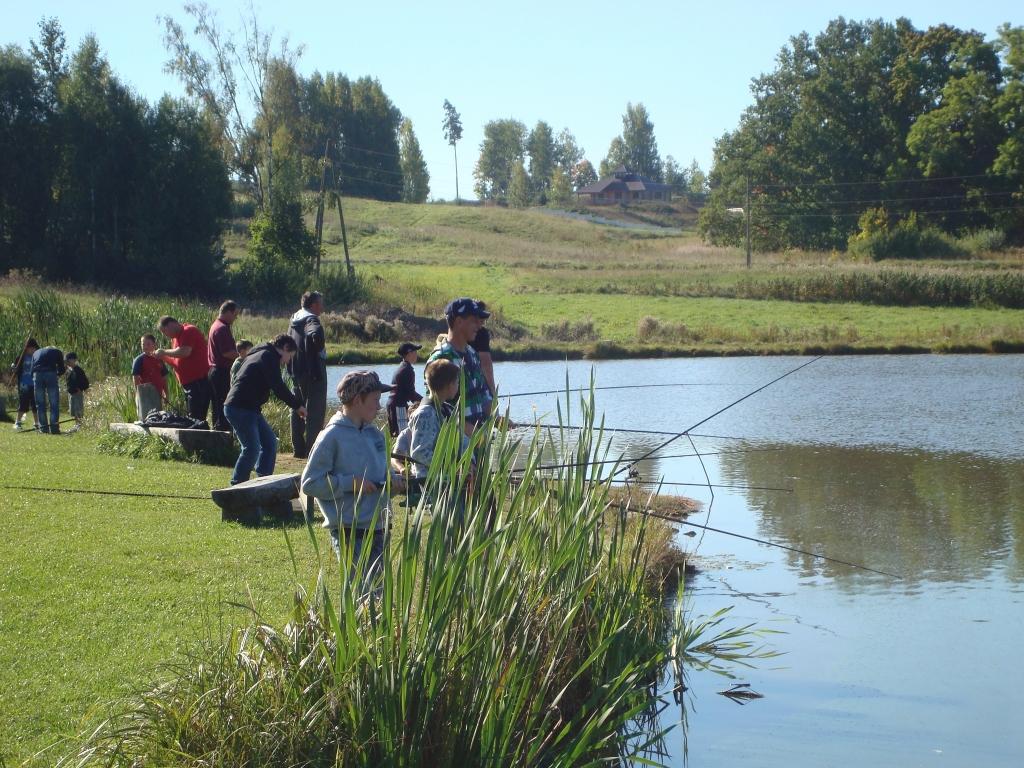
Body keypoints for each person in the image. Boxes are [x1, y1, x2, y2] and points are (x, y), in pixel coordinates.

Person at [301, 371, 401, 593]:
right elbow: (310, 483)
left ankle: (376, 629)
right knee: (362, 593)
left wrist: (393, 483)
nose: (380, 406)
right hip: (350, 531)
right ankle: (354, 628)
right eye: (375, 400)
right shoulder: (331, 436)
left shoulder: (375, 434)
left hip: (379, 527)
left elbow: (380, 475)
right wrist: (350, 484)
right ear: (357, 400)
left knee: (379, 593)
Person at [223, 334, 307, 485]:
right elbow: (278, 387)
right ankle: (236, 487)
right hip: (239, 407)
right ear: (286, 348)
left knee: (269, 443)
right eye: (290, 356)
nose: (288, 362)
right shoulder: (268, 356)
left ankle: (262, 483)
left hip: (250, 408)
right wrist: (297, 405)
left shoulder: (261, 352)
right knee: (252, 448)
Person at [425, 297, 494, 434]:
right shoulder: (441, 358)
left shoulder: (472, 354)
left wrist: (498, 419)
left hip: (479, 445)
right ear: (459, 321)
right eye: (474, 321)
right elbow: (439, 411)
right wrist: (476, 435)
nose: (479, 326)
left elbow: (483, 396)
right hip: (457, 449)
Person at [409, 358, 471, 484]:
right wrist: (452, 466)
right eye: (457, 382)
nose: (458, 386)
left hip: (449, 481)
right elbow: (420, 453)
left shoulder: (447, 410)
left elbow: (462, 440)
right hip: (431, 483)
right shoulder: (425, 414)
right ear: (449, 385)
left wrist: (469, 461)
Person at [288, 291, 327, 459]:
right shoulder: (311, 319)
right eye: (320, 303)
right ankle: (312, 451)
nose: (322, 307)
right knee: (315, 411)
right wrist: (317, 347)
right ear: (313, 305)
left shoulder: (293, 319)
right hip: (313, 371)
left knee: (297, 408)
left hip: (295, 370)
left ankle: (298, 449)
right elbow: (315, 334)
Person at [154, 316, 211, 423]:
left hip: (198, 382)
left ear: (171, 324)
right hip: (188, 384)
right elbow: (176, 361)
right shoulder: (175, 339)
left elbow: (185, 352)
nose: (164, 335)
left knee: (196, 416)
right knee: (193, 416)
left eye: (164, 331)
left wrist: (164, 352)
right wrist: (163, 357)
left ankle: (199, 438)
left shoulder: (189, 330)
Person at [207, 300, 240, 432]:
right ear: (228, 312)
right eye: (235, 315)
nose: (235, 318)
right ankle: (222, 436)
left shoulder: (215, 325)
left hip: (214, 371)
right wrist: (244, 357)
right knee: (223, 406)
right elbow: (227, 353)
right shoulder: (222, 328)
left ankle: (218, 433)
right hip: (221, 371)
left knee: (217, 406)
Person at [386, 342, 423, 437]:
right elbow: (411, 394)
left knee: (397, 436)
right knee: (403, 436)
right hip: (399, 406)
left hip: (394, 404)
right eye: (415, 352)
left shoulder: (402, 367)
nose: (417, 355)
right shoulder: (407, 370)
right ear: (409, 353)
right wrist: (426, 401)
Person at [132, 334, 169, 421]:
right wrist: (138, 393)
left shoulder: (159, 359)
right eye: (143, 344)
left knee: (158, 419)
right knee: (145, 419)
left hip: (157, 394)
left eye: (148, 344)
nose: (145, 346)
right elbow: (135, 377)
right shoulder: (139, 360)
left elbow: (164, 378)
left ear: (154, 345)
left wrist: (166, 394)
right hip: (144, 396)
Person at [31, 344, 65, 434]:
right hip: (50, 373)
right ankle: (54, 428)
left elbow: (31, 369)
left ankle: (44, 429)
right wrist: (57, 374)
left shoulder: (36, 352)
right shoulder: (57, 351)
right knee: (54, 403)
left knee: (40, 404)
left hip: (37, 375)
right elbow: (62, 368)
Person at [10, 338, 39, 431]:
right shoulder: (21, 357)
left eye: (33, 348)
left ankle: (37, 424)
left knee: (35, 404)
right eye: (30, 348)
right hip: (24, 384)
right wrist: (14, 369)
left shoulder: (38, 357)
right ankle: (17, 422)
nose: (32, 350)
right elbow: (15, 369)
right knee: (23, 403)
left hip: (35, 384)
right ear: (26, 348)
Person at [472, 302, 496, 399]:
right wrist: (493, 394)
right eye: (480, 319)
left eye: (483, 320)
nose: (481, 323)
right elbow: (486, 366)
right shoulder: (482, 333)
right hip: (477, 389)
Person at [64, 353, 90, 432]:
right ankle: (76, 425)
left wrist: (81, 388)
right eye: (67, 361)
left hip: (77, 393)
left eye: (69, 360)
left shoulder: (78, 370)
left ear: (74, 360)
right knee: (73, 410)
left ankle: (80, 426)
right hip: (71, 393)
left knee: (78, 409)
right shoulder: (68, 371)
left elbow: (85, 382)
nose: (68, 362)